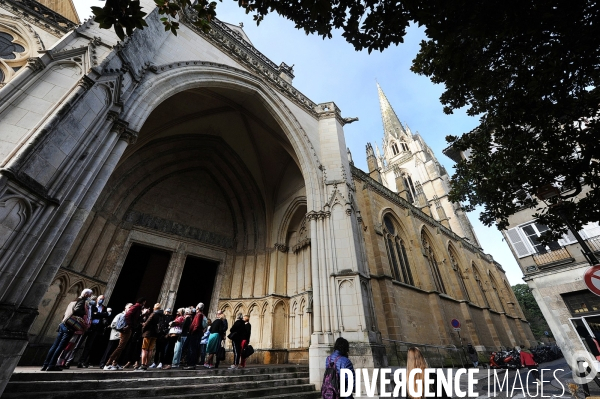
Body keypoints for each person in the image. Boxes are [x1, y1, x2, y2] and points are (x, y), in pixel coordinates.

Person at [42, 288, 93, 371]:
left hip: (63, 324)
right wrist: (84, 312)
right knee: (60, 346)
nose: (90, 297)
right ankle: (51, 365)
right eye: (90, 295)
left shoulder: (73, 300)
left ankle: (45, 365)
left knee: (55, 345)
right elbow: (76, 311)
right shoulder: (81, 301)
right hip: (69, 326)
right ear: (86, 294)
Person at [105, 297, 146, 370]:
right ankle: (108, 363)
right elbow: (128, 315)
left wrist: (143, 314)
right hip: (127, 329)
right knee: (120, 347)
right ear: (143, 302)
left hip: (129, 329)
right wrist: (129, 325)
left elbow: (135, 319)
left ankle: (114, 363)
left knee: (122, 347)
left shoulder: (138, 308)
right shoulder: (136, 307)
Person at [78, 294, 110, 368]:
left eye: (103, 299)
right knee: (78, 343)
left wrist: (99, 314)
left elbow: (106, 315)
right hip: (87, 326)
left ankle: (82, 361)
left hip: (96, 328)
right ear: (97, 299)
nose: (101, 300)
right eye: (100, 299)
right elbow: (92, 314)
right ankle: (68, 361)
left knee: (89, 346)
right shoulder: (92, 306)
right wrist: (101, 314)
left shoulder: (104, 308)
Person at [99, 304, 129, 368]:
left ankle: (113, 363)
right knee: (110, 349)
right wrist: (121, 329)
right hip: (115, 336)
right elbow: (113, 324)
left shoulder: (128, 317)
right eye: (129, 307)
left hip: (121, 336)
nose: (130, 309)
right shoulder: (120, 315)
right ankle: (103, 363)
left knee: (116, 351)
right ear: (125, 308)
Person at [138, 303, 164, 371]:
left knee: (145, 349)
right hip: (155, 334)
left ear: (154, 308)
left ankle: (143, 364)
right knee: (150, 349)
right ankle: (147, 364)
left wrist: (143, 330)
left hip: (148, 333)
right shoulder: (161, 315)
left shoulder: (153, 314)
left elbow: (147, 322)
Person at [184, 303, 207, 370]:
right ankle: (191, 363)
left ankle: (191, 364)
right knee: (193, 349)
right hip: (197, 334)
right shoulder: (200, 314)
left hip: (195, 334)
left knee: (192, 349)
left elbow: (196, 325)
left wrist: (192, 332)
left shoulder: (199, 315)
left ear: (198, 308)